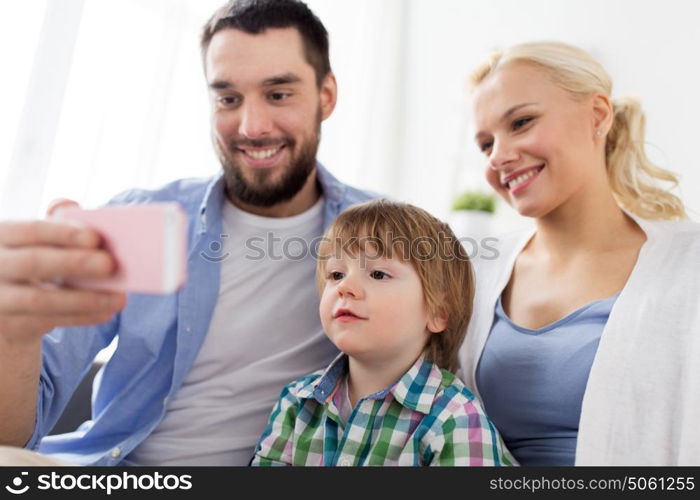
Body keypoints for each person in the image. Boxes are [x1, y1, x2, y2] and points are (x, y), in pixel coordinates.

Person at [0, 0, 376, 466]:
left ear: (326, 96)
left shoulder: (383, 237)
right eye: (228, 98)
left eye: (278, 94)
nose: (251, 127)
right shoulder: (141, 219)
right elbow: (12, 434)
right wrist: (14, 331)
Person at [459, 41, 700, 466]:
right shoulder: (473, 275)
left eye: (522, 121)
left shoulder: (688, 265)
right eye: (485, 144)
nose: (498, 155)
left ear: (598, 115)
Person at [251, 199, 515, 466]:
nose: (345, 287)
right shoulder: (297, 403)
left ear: (438, 313)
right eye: (336, 274)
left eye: (377, 274)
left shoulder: (455, 418)